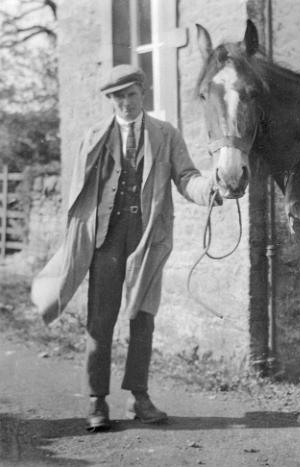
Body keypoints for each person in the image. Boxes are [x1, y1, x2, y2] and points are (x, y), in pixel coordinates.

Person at [31, 64, 220, 431]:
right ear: (110, 100)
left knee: (142, 318)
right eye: (117, 97)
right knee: (100, 320)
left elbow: (186, 177)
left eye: (131, 94)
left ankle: (140, 397)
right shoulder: (93, 137)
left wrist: (210, 189)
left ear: (142, 94)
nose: (125, 103)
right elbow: (78, 195)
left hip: (146, 238)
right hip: (105, 240)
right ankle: (97, 400)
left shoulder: (165, 134)